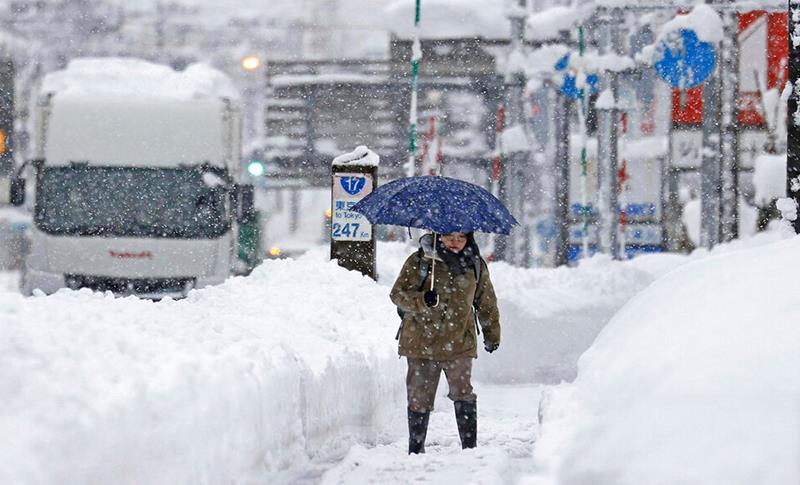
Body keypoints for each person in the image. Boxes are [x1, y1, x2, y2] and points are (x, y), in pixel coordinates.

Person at [390, 231, 501, 454]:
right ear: (438, 236)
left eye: (461, 238)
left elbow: (486, 302)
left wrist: (492, 334)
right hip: (421, 343)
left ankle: (470, 448)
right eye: (449, 237)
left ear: (469, 239)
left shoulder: (475, 265)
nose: (455, 242)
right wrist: (422, 300)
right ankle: (416, 449)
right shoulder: (420, 261)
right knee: (419, 398)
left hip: (459, 342)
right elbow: (397, 294)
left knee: (463, 393)